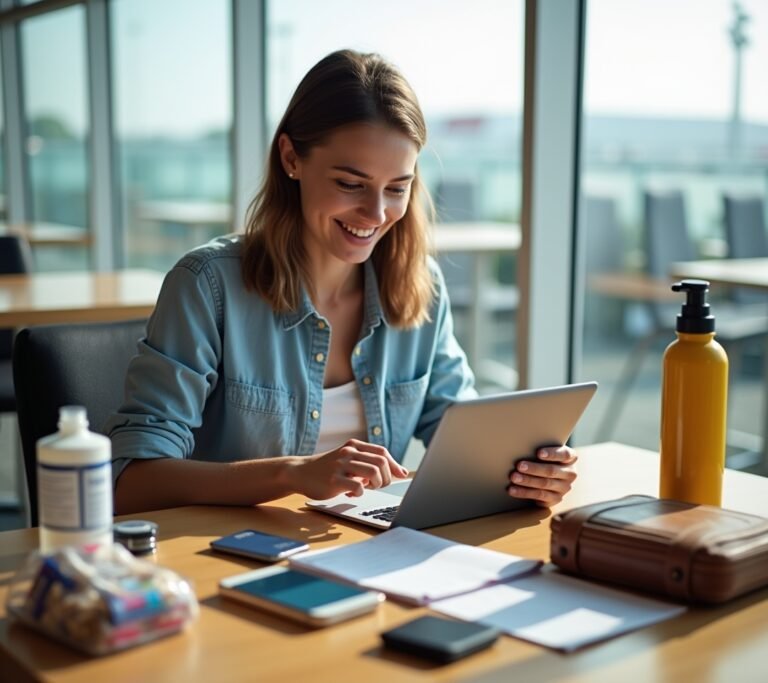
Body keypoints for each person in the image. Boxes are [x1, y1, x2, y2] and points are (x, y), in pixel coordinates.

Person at [107, 49, 578, 515]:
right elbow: (131, 480)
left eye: (397, 188)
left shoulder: (420, 288)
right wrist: (291, 474)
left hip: (365, 556)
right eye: (351, 184)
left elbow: (466, 439)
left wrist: (526, 473)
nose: (376, 215)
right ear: (291, 157)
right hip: (225, 559)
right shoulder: (207, 287)